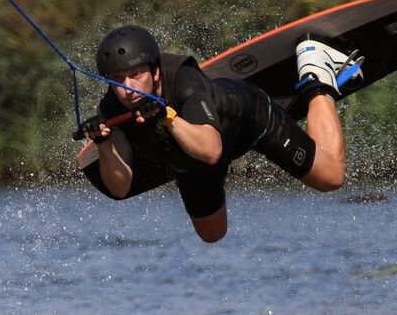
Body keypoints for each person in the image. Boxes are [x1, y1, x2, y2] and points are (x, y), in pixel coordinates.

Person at [80, 25, 363, 243]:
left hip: (247, 121)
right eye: (117, 80)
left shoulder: (182, 79)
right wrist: (104, 144)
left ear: (155, 72)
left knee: (331, 178)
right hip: (192, 163)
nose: (127, 88)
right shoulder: (111, 108)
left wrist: (168, 116)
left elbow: (212, 148)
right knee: (212, 235)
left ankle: (316, 73)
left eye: (135, 75)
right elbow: (120, 187)